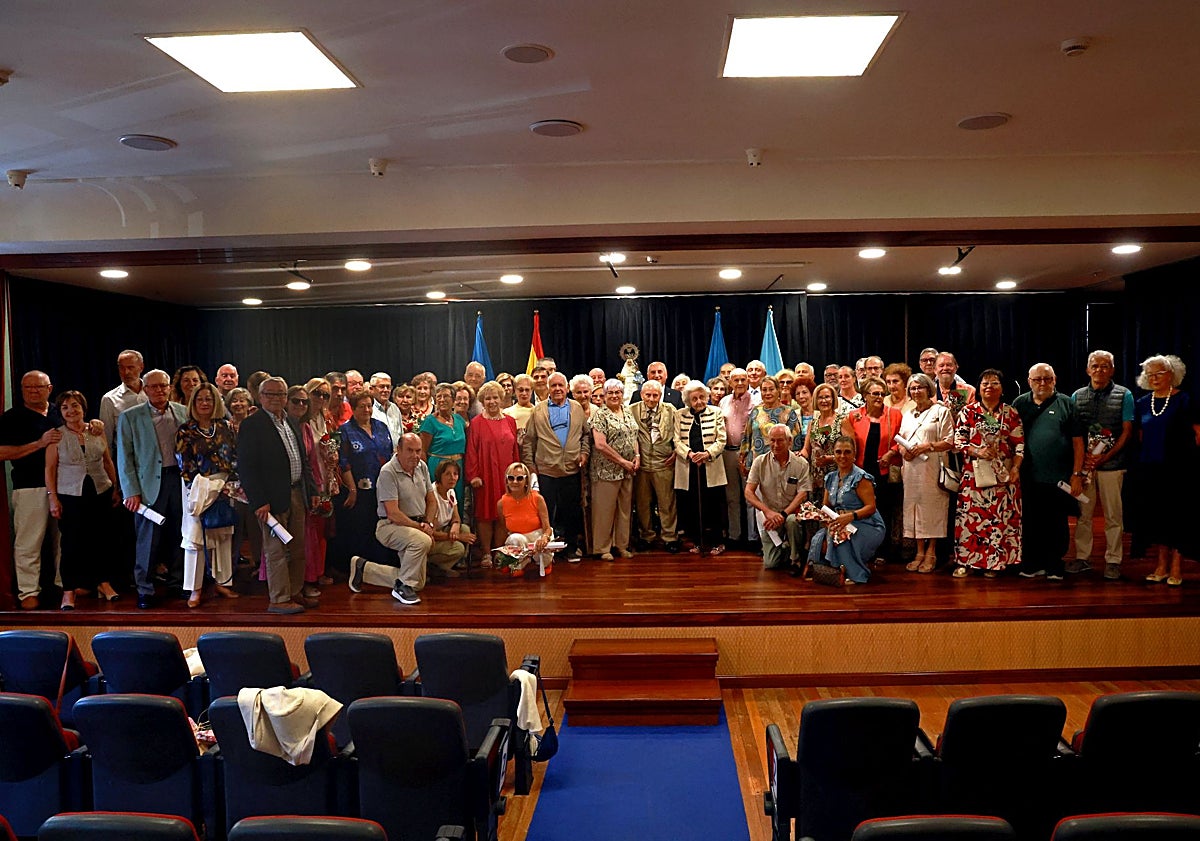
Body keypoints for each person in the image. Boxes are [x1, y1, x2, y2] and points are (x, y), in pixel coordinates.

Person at [236, 376, 318, 615]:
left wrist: (311, 490)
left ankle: (294, 592)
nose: (276, 399)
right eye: (270, 394)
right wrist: (259, 501)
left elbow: (303, 460)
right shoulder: (253, 425)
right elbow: (247, 467)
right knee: (276, 550)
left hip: (296, 493)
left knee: (298, 548)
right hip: (271, 500)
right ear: (260, 397)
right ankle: (279, 599)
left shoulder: (291, 421)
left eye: (280, 394)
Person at [116, 369, 188, 608]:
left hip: (179, 481)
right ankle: (145, 589)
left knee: (182, 533)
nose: (159, 390)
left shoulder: (183, 412)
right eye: (154, 387)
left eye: (163, 386)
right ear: (145, 390)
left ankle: (178, 582)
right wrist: (130, 491)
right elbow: (124, 457)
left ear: (169, 388)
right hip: (148, 485)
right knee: (148, 538)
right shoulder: (130, 417)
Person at [45, 390, 120, 608]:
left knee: (101, 540)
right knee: (71, 543)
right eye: (65, 407)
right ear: (60, 412)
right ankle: (69, 591)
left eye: (75, 406)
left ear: (83, 408)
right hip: (70, 495)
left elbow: (107, 461)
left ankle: (103, 583)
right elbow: (50, 469)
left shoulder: (97, 430)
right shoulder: (56, 435)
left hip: (99, 491)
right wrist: (53, 499)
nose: (71, 411)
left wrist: (115, 487)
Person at [1130, 355, 1199, 586]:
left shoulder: (1184, 400)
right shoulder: (1142, 403)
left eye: (1159, 373)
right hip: (1151, 471)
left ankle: (1176, 567)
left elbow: (1196, 435)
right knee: (1157, 520)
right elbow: (1140, 437)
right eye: (1150, 374)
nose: (1154, 377)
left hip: (1179, 471)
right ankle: (1160, 565)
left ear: (1172, 375)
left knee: (1177, 520)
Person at [0, 371, 65, 611]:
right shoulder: (11, 418)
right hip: (30, 486)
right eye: (28, 388)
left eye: (38, 387)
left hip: (66, 485)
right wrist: (39, 444)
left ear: (49, 388)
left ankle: (64, 586)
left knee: (65, 540)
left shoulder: (62, 411)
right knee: (29, 542)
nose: (33, 391)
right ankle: (28, 592)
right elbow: (2, 452)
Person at [1014, 363, 1084, 582]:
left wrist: (1076, 474)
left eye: (1047, 379)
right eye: (1037, 379)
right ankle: (1033, 562)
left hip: (1058, 477)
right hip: (1028, 477)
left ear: (1054, 380)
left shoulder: (1066, 404)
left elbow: (1078, 443)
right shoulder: (1020, 404)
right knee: (1031, 521)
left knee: (1057, 522)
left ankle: (1054, 563)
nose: (1042, 383)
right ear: (1029, 381)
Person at [1069, 350, 1135, 580]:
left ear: (1113, 370)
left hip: (1113, 466)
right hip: (1085, 467)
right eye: (1095, 366)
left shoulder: (1124, 395)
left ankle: (1113, 560)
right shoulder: (1077, 396)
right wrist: (1083, 462)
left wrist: (1105, 457)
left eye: (1105, 366)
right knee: (1083, 515)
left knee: (1113, 516)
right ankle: (1082, 558)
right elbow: (1074, 433)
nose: (1100, 370)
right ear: (1088, 370)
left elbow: (1127, 431)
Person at [953, 369, 1024, 578]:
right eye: (984, 383)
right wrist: (977, 451)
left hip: (1002, 476)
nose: (989, 387)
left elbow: (1019, 445)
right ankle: (966, 562)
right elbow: (958, 441)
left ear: (1002, 389)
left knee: (998, 519)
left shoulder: (1010, 413)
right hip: (974, 476)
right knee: (969, 520)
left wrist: (1015, 468)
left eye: (994, 383)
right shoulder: (968, 411)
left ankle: (993, 562)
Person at [351, 433, 438, 605]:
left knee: (418, 583)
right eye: (410, 450)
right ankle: (402, 588)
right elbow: (393, 513)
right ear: (398, 450)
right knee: (422, 541)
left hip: (416, 525)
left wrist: (428, 523)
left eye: (418, 451)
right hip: (390, 525)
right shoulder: (387, 472)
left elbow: (432, 500)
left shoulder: (422, 467)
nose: (415, 455)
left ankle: (364, 569)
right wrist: (421, 528)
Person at [175, 382, 240, 608]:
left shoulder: (226, 427)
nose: (205, 403)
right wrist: (204, 488)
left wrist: (226, 484)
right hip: (197, 488)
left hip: (223, 485)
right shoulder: (186, 430)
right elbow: (185, 464)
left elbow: (234, 456)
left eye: (209, 399)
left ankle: (223, 583)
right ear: (193, 403)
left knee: (222, 534)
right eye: (200, 399)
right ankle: (195, 589)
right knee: (195, 538)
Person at [522, 371, 590, 561]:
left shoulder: (576, 408)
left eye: (561, 385)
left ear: (567, 388)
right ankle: (546, 551)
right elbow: (529, 440)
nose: (558, 389)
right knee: (546, 512)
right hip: (546, 470)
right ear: (548, 388)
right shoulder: (538, 410)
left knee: (571, 511)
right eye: (554, 386)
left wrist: (584, 453)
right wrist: (530, 466)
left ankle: (571, 548)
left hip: (571, 469)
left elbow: (586, 435)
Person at [841, 376, 904, 564]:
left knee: (883, 511)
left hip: (884, 472)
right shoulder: (854, 416)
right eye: (874, 393)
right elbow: (849, 444)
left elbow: (901, 438)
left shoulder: (894, 414)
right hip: (861, 472)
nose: (879, 397)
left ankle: (882, 551)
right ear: (865, 395)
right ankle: (861, 550)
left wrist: (890, 453)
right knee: (860, 511)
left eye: (881, 393)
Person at [807, 436, 886, 585]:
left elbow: (871, 507)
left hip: (867, 522)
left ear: (854, 455)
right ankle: (831, 571)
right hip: (840, 521)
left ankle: (855, 573)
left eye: (847, 452)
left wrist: (850, 516)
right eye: (838, 452)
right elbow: (826, 506)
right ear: (834, 454)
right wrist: (817, 515)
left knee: (842, 538)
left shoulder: (861, 477)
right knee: (819, 538)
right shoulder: (830, 478)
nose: (842, 456)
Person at [897, 373, 955, 573]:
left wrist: (927, 446)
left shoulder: (941, 412)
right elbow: (900, 441)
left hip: (933, 467)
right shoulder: (907, 414)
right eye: (912, 388)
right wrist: (904, 451)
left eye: (920, 387)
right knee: (914, 509)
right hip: (912, 470)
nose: (916, 391)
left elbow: (950, 441)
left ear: (929, 389)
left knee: (933, 510)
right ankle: (919, 551)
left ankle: (931, 552)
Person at [339, 390, 395, 576]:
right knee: (363, 527)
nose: (366, 409)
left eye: (369, 405)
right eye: (361, 406)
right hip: (360, 489)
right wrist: (352, 489)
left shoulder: (381, 427)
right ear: (353, 408)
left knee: (383, 525)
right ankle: (361, 568)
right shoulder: (346, 430)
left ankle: (381, 567)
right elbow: (344, 462)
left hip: (384, 488)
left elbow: (391, 454)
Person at [466, 380, 520, 566]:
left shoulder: (511, 421)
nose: (492, 401)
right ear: (482, 400)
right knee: (485, 514)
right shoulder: (476, 423)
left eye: (495, 397)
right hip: (485, 476)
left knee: (504, 514)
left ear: (501, 398)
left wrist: (518, 474)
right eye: (487, 398)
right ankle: (486, 553)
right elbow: (471, 451)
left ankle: (499, 552)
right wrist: (473, 475)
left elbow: (515, 450)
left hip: (507, 477)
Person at [745, 424, 810, 571]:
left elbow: (803, 493)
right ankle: (786, 548)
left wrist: (784, 514)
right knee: (771, 564)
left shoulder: (801, 464)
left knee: (792, 522)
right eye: (772, 440)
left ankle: (795, 559)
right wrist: (767, 512)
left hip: (791, 513)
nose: (775, 445)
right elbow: (748, 492)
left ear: (790, 441)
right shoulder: (759, 462)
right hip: (770, 517)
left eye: (780, 440)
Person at [674, 380, 728, 555]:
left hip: (711, 465)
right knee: (692, 505)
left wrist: (707, 454)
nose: (699, 401)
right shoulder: (679, 414)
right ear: (688, 401)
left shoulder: (716, 412)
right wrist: (689, 454)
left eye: (702, 397)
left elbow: (721, 440)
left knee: (714, 505)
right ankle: (697, 541)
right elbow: (676, 440)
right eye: (694, 398)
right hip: (688, 466)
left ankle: (717, 542)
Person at [589, 379, 640, 560]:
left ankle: (621, 545)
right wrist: (622, 461)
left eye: (617, 392)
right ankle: (602, 548)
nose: (614, 396)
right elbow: (600, 445)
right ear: (604, 396)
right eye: (610, 393)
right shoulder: (599, 415)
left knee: (624, 509)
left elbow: (634, 435)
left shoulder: (627, 411)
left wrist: (637, 456)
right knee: (605, 510)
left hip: (628, 470)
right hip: (606, 470)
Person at [631, 379, 680, 552]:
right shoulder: (632, 410)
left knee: (667, 503)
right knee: (643, 504)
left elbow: (678, 434)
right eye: (648, 395)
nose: (651, 399)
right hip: (642, 465)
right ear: (642, 394)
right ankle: (647, 536)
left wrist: (676, 452)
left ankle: (670, 537)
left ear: (660, 395)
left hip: (664, 464)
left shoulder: (670, 410)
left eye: (655, 395)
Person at [302, 377, 340, 588]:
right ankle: (309, 576)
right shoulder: (302, 419)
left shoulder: (324, 419)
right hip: (310, 480)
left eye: (326, 395)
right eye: (317, 393)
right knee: (310, 531)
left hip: (326, 478)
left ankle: (320, 570)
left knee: (323, 529)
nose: (322, 398)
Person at [495, 461, 554, 575]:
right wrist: (500, 553)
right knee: (514, 538)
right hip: (519, 539)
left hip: (538, 537)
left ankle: (545, 562)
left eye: (520, 478)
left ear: (526, 481)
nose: (515, 482)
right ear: (506, 481)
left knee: (541, 547)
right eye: (511, 478)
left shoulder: (537, 498)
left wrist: (544, 538)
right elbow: (503, 529)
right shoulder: (501, 503)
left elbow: (547, 527)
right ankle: (519, 564)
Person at [419, 383, 468, 512]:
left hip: (458, 467)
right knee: (439, 504)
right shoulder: (429, 422)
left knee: (457, 502)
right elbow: (422, 451)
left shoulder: (459, 420)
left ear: (453, 400)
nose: (442, 399)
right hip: (438, 467)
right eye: (438, 396)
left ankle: (456, 528)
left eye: (445, 396)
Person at [719, 368, 754, 548]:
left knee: (750, 498)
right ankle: (734, 536)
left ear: (748, 381)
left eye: (743, 379)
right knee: (731, 497)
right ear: (730, 382)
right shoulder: (723, 401)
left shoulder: (756, 401)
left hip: (747, 453)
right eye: (736, 380)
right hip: (727, 453)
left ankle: (752, 538)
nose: (740, 383)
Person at [428, 460, 475, 578]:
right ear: (440, 475)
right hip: (431, 537)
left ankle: (444, 568)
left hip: (443, 529)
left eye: (455, 474)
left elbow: (456, 517)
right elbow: (431, 532)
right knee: (458, 547)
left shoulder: (450, 491)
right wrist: (456, 536)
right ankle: (429, 566)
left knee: (464, 529)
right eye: (447, 474)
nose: (452, 478)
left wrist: (455, 526)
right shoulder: (433, 495)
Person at [801, 383, 845, 497]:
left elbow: (852, 452)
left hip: (836, 475)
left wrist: (831, 459)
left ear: (833, 399)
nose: (824, 400)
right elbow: (806, 449)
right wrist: (798, 456)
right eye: (820, 397)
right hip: (815, 477)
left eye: (827, 397)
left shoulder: (842, 421)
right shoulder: (813, 423)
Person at [99, 349, 148, 453]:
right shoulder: (109, 399)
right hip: (126, 456)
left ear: (141, 367)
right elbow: (106, 437)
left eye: (130, 367)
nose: (126, 372)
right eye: (122, 368)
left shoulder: (154, 393)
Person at [935, 352, 977, 419]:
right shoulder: (929, 392)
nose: (945, 368)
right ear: (935, 370)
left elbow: (977, 415)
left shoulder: (969, 390)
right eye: (941, 365)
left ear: (956, 368)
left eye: (949, 365)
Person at [369, 372, 402, 444]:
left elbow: (400, 434)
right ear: (371, 389)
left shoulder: (394, 408)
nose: (386, 390)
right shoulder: (368, 409)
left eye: (388, 387)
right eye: (382, 386)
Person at [504, 374, 537, 440]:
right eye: (521, 390)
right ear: (515, 390)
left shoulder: (538, 412)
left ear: (532, 391)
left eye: (527, 390)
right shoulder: (506, 413)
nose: (524, 393)